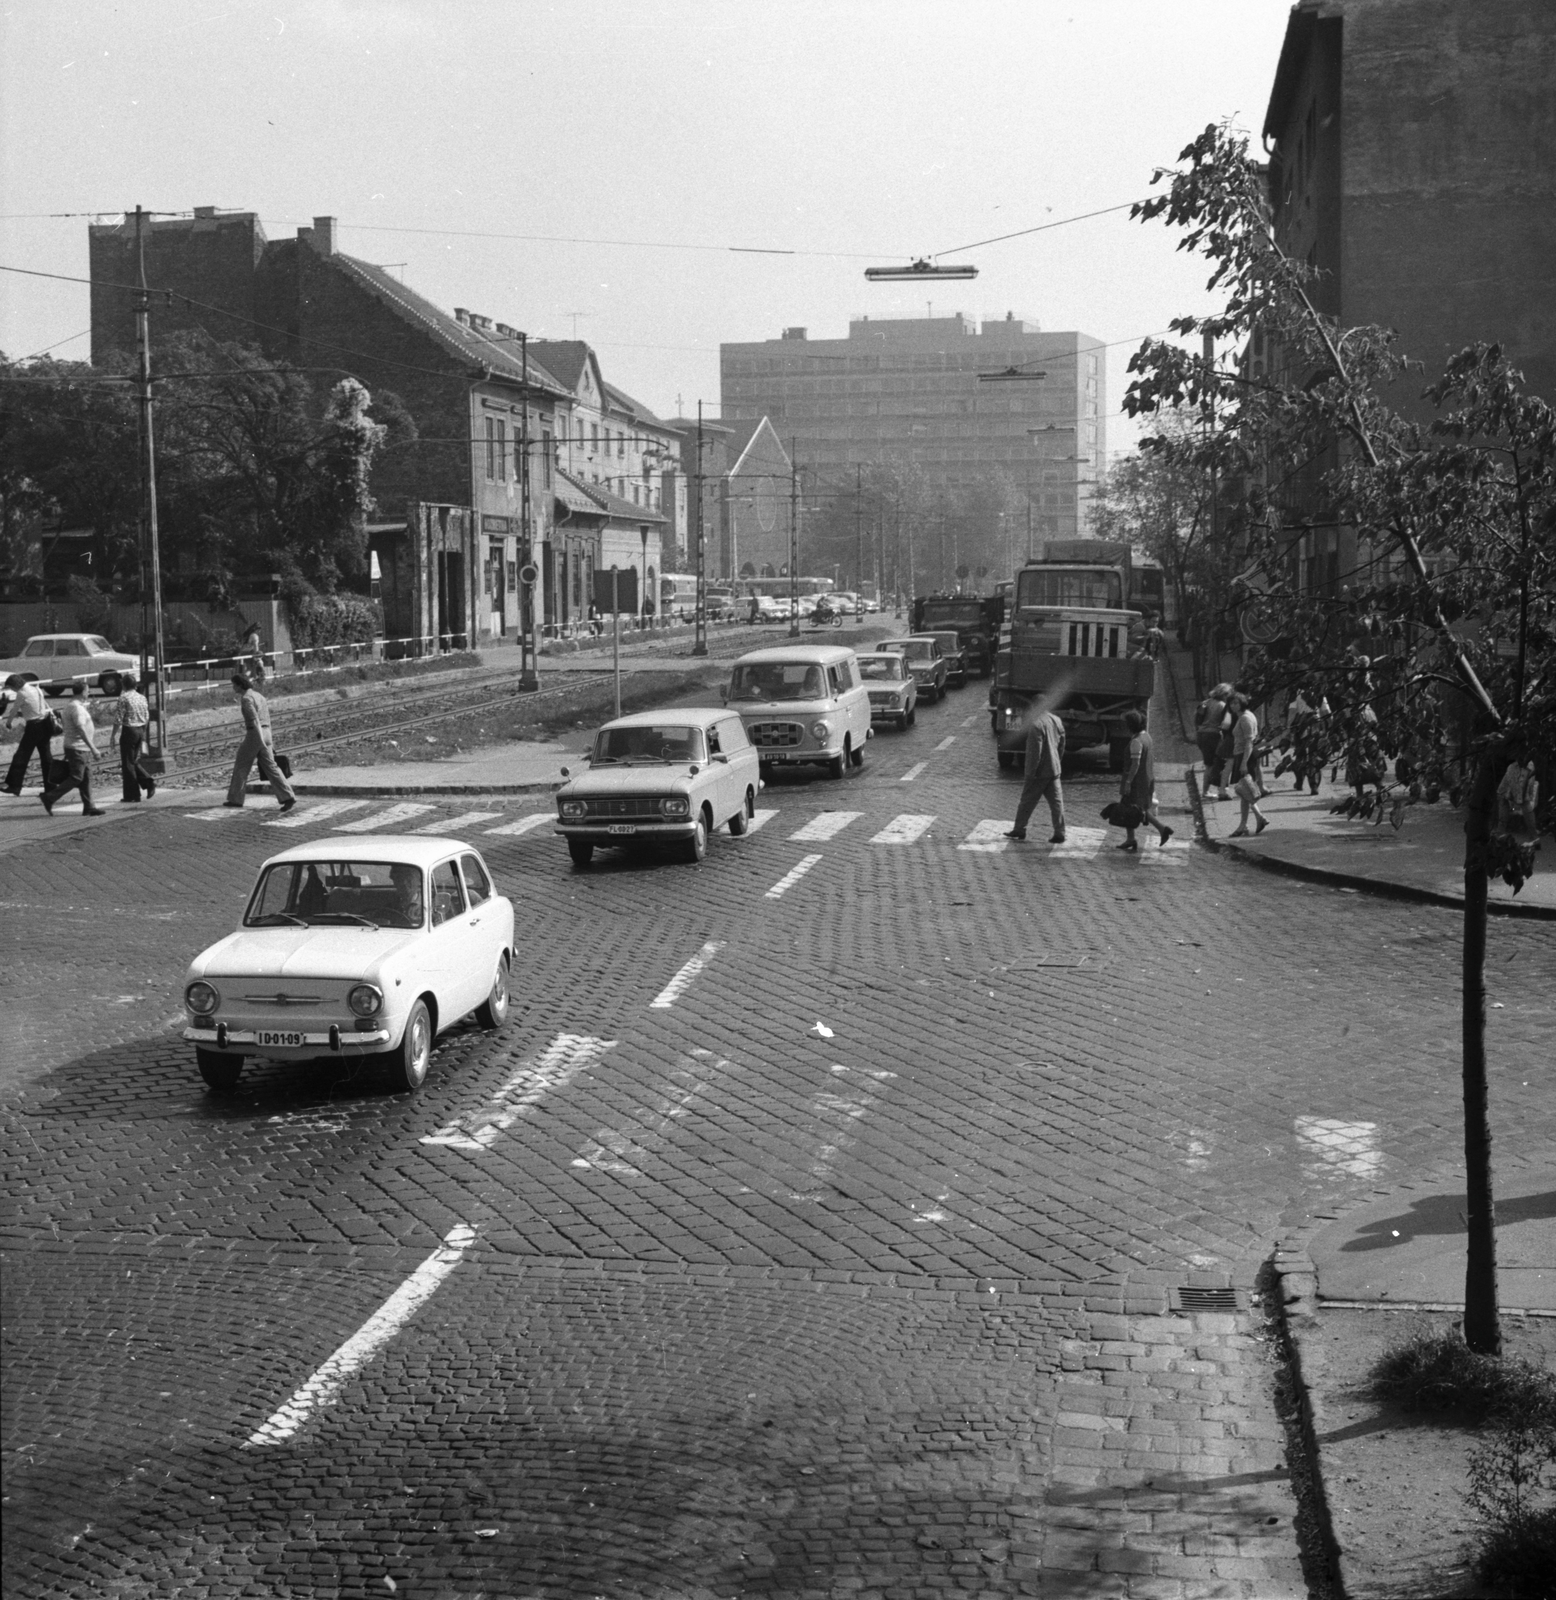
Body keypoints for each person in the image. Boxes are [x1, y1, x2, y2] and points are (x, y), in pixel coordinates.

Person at [225, 671, 295, 811]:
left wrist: (259, 741)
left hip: (255, 734)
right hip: (267, 732)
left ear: (240, 685)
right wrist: (268, 740)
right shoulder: (260, 696)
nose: (233, 688)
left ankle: (236, 799)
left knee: (241, 765)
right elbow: (266, 719)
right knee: (271, 766)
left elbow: (254, 720)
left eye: (234, 685)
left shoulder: (246, 699)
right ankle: (288, 797)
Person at [1004, 702, 1066, 843]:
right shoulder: (1056, 720)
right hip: (1054, 769)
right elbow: (1062, 744)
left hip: (1039, 772)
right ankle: (1060, 832)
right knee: (1057, 803)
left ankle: (1019, 829)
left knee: (1026, 801)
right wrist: (1057, 761)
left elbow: (1034, 752)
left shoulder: (1036, 725)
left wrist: (1030, 773)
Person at [39, 683, 105, 816]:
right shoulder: (76, 708)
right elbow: (80, 728)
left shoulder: (71, 705)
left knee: (86, 777)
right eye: (87, 691)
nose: (88, 693)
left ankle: (89, 806)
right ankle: (49, 797)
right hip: (78, 748)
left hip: (79, 747)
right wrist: (93, 748)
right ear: (82, 692)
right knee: (76, 777)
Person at [1117, 708, 1172, 851]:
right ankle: (1133, 838)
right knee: (1135, 808)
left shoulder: (1136, 741)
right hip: (1145, 778)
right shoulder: (1147, 737)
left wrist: (1128, 782)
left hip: (1136, 781)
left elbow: (1135, 764)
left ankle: (1159, 830)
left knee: (1131, 808)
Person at [110, 668, 156, 802]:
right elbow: (147, 716)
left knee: (127, 763)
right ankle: (147, 782)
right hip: (140, 730)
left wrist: (113, 735)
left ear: (123, 685)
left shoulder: (123, 698)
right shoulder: (142, 698)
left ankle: (132, 795)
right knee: (132, 760)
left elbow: (118, 719)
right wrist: (143, 734)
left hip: (129, 731)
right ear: (135, 685)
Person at [4, 673, 55, 795]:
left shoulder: (22, 693)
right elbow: (37, 707)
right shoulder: (36, 689)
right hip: (44, 725)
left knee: (21, 756)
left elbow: (14, 710)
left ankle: (14, 786)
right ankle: (51, 787)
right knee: (46, 758)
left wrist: (9, 722)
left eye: (11, 688)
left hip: (33, 728)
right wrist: (24, 714)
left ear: (15, 685)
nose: (12, 690)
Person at [1228, 695, 1269, 836]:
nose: (1233, 706)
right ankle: (1247, 824)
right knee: (1244, 792)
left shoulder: (1245, 718)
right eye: (1231, 703)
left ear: (1242, 704)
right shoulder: (1245, 716)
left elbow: (1249, 742)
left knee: (1246, 791)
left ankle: (1254, 820)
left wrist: (1244, 762)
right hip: (1242, 756)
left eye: (1236, 703)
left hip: (1244, 757)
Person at [1195, 683, 1233, 801]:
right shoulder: (1222, 705)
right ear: (1224, 694)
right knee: (1217, 763)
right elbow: (1226, 724)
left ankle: (1206, 791)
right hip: (1214, 735)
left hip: (1201, 735)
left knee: (1208, 764)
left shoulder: (1205, 702)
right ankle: (1215, 790)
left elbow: (1196, 719)